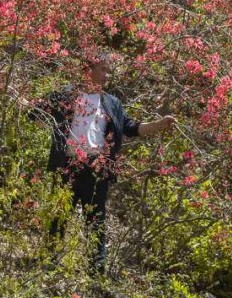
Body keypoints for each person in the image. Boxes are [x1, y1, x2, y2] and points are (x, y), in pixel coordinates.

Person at [29, 51, 175, 271]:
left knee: (96, 221)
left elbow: (131, 128)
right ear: (88, 70)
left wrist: (159, 124)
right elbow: (37, 113)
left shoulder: (112, 103)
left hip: (97, 169)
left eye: (108, 70)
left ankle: (97, 271)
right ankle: (49, 263)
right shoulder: (67, 95)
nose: (107, 75)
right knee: (59, 216)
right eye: (103, 69)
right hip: (68, 164)